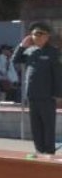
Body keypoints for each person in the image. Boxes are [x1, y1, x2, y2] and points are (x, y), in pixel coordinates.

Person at [12, 22, 62, 155]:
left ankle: (49, 152)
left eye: (40, 35)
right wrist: (22, 46)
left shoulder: (53, 52)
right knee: (36, 126)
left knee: (48, 126)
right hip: (32, 95)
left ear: (47, 36)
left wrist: (58, 94)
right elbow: (14, 60)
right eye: (34, 34)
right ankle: (39, 150)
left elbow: (57, 74)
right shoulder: (29, 51)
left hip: (47, 95)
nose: (37, 37)